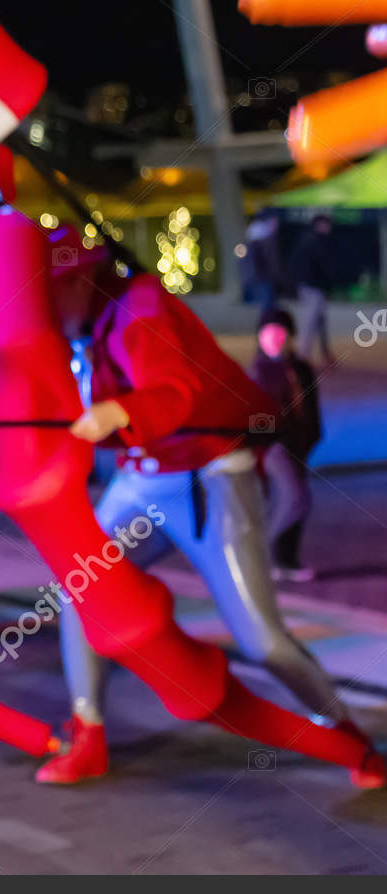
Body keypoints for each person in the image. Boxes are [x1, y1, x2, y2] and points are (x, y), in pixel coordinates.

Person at [34, 232, 379, 787]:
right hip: (141, 479)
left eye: (46, 298)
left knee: (261, 639)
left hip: (210, 475)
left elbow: (176, 389)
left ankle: (345, 733)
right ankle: (88, 730)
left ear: (77, 282)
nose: (41, 315)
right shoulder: (81, 325)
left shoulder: (138, 311)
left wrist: (120, 410)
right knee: (78, 587)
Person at [249, 306, 323, 581]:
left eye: (280, 333)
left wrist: (309, 439)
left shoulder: (301, 369)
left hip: (298, 443)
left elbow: (312, 411)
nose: (274, 339)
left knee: (291, 499)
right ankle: (261, 554)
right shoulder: (259, 371)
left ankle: (285, 561)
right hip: (272, 446)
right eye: (268, 333)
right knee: (295, 498)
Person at [290, 213, 336, 367]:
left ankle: (325, 354)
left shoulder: (308, 239)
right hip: (312, 286)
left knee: (320, 321)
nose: (329, 227)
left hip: (310, 285)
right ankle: (302, 356)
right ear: (319, 225)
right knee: (310, 321)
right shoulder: (314, 241)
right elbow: (322, 265)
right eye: (326, 224)